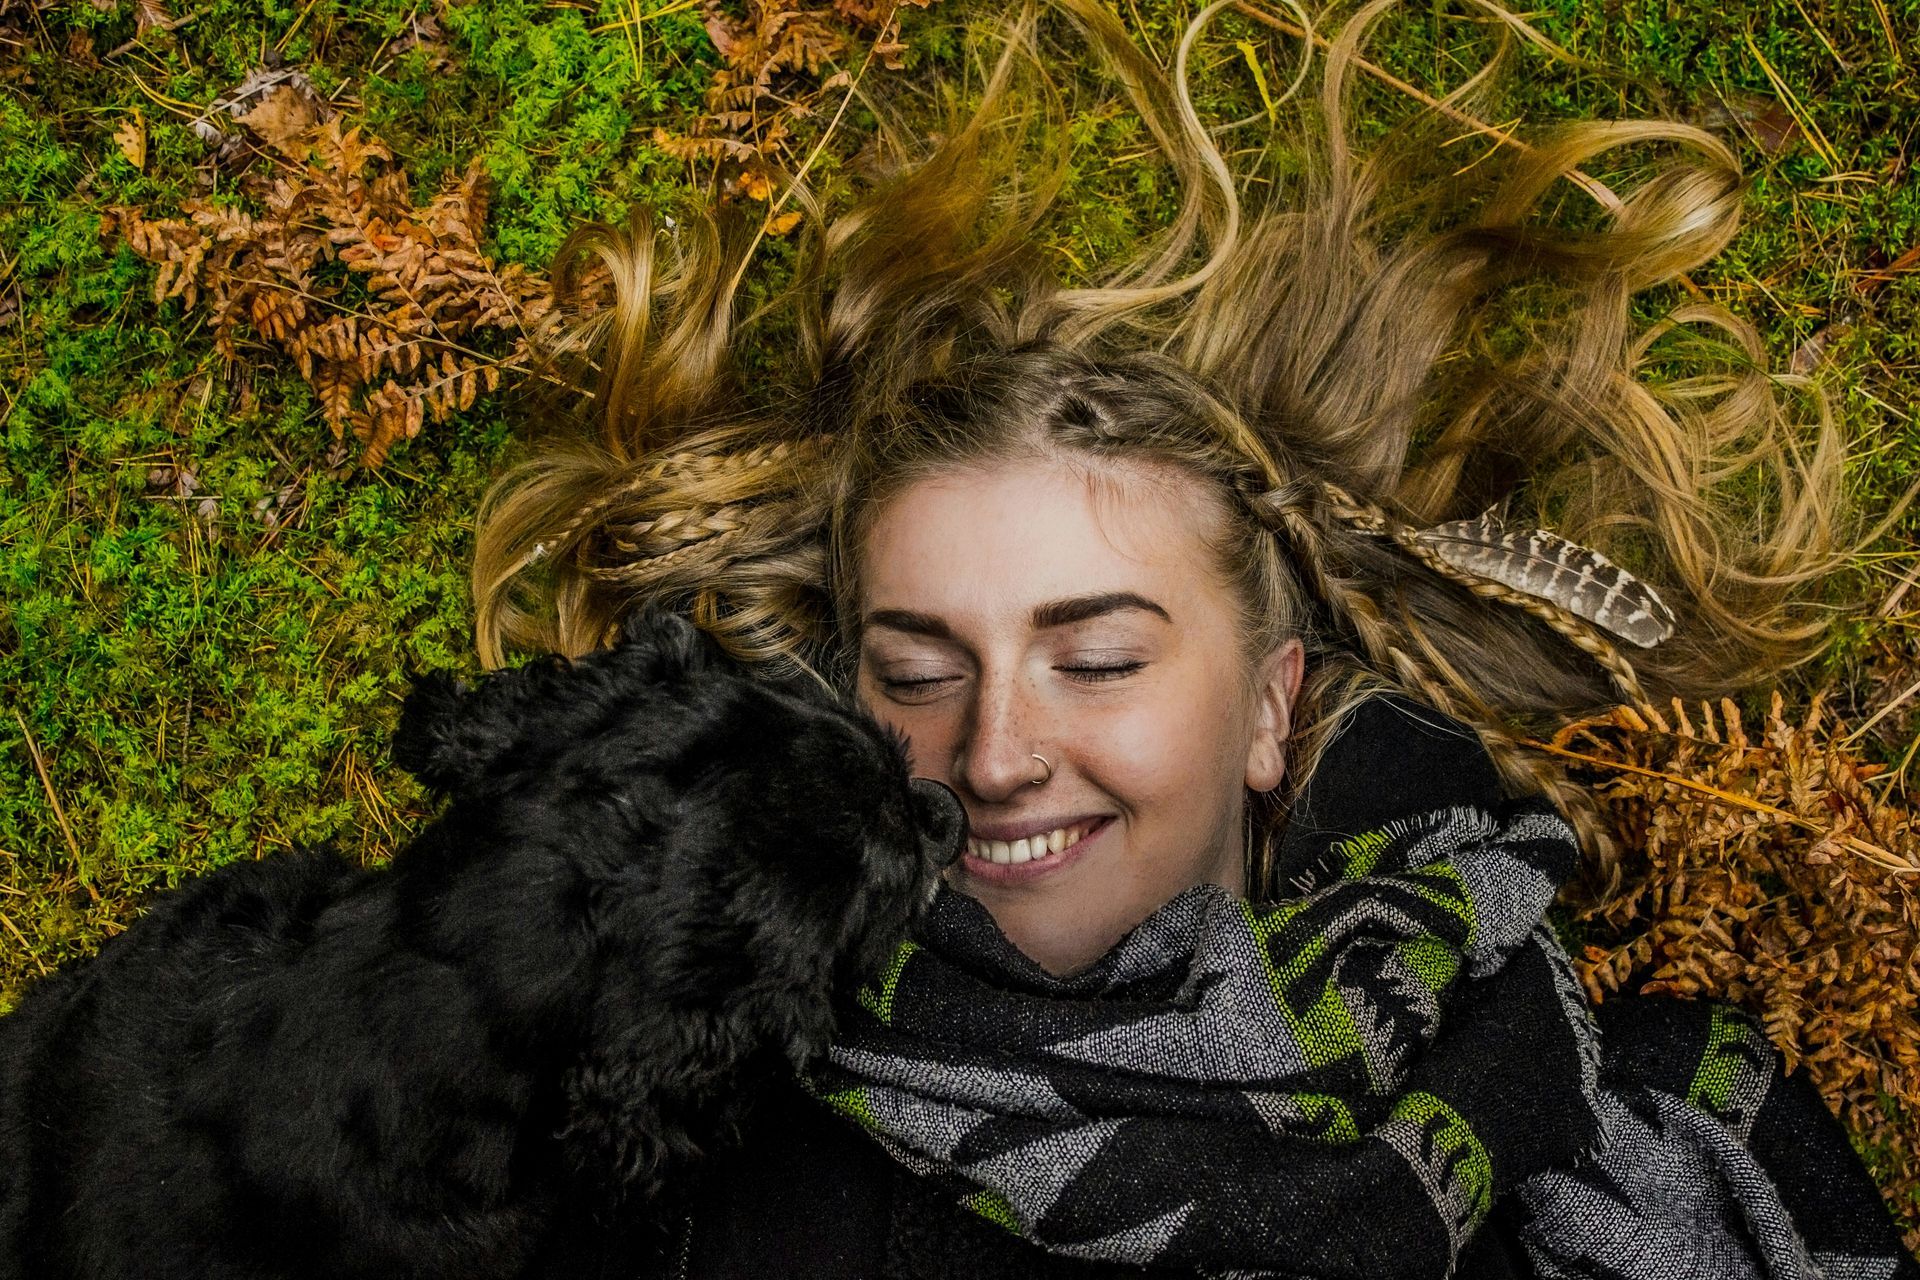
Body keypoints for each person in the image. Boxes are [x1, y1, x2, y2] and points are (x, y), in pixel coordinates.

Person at [465, 1, 1919, 1275]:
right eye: (917, 672)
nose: (992, 755)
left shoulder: (1594, 1107)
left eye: (1096, 660)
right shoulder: (670, 1099)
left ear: (1273, 710)